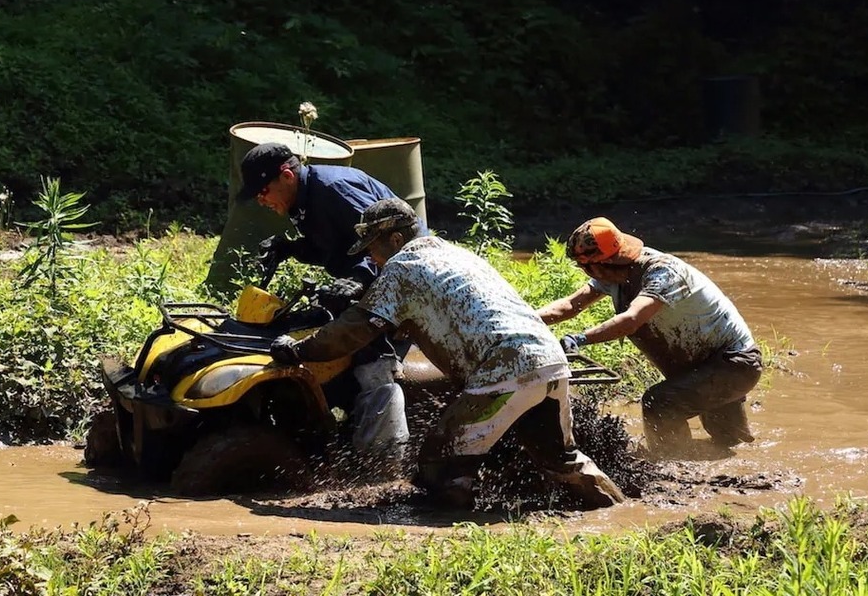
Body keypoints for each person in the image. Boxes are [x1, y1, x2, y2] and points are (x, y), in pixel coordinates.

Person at [269, 198, 626, 508]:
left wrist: (301, 350)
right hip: (548, 359)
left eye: (373, 249)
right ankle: (621, 512)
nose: (372, 259)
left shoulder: (402, 267)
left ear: (395, 239)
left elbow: (354, 331)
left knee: (439, 460)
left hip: (505, 367)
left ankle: (452, 533)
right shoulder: (454, 253)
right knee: (563, 461)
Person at [237, 142, 416, 466]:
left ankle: (384, 462)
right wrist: (292, 249)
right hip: (368, 280)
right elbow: (333, 247)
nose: (260, 200)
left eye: (262, 191)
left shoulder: (334, 189)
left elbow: (388, 244)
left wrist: (359, 280)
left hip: (403, 283)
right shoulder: (303, 200)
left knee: (372, 361)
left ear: (287, 176)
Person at [537, 217, 762, 457]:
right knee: (728, 441)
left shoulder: (662, 273)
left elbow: (631, 320)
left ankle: (673, 463)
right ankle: (700, 460)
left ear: (600, 264)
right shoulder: (613, 275)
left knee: (659, 403)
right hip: (699, 368)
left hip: (734, 364)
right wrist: (527, 319)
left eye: (585, 267)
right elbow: (571, 304)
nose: (586, 273)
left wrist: (580, 338)